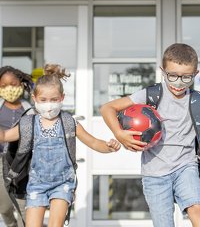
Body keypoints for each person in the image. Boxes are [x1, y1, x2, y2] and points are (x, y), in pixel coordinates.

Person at [100, 43, 200, 227]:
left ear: (195, 74)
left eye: (186, 77)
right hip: (155, 174)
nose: (178, 82)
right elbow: (107, 108)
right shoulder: (152, 94)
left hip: (186, 167)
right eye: (173, 76)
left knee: (198, 210)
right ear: (163, 71)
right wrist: (119, 134)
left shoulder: (198, 100)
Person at [0, 64, 121, 227]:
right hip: (36, 183)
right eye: (43, 100)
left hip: (62, 183)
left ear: (62, 98)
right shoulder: (28, 123)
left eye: (54, 100)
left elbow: (93, 142)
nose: (49, 105)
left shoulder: (69, 123)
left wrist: (108, 147)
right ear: (35, 99)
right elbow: (5, 136)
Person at [0, 66, 33, 227]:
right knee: (4, 206)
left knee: (23, 206)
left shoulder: (30, 108)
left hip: (23, 162)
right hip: (1, 162)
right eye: (4, 86)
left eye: (12, 84)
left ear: (20, 83)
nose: (9, 89)